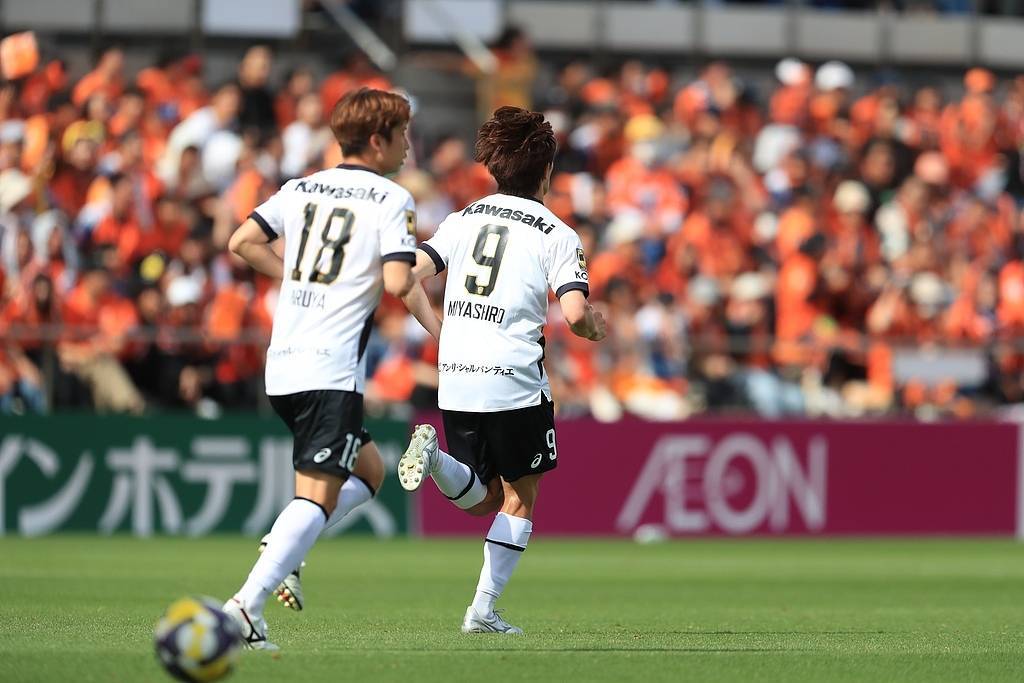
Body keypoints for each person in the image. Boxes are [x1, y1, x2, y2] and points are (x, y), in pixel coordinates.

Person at [221, 87, 417, 649]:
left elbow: (242, 241)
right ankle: (247, 606)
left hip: (283, 364)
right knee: (316, 497)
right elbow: (399, 281)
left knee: (370, 471)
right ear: (377, 140)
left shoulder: (300, 187)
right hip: (330, 368)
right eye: (402, 135)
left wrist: (297, 277)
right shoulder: (391, 197)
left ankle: (285, 544)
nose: (407, 146)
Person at [399, 106, 607, 634]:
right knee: (519, 497)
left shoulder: (462, 218)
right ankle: (482, 611)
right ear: (546, 172)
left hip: (457, 372)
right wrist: (595, 329)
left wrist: (441, 331)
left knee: (483, 498)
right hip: (513, 375)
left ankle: (435, 459)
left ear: (494, 167)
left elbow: (404, 278)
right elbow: (575, 314)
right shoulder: (557, 232)